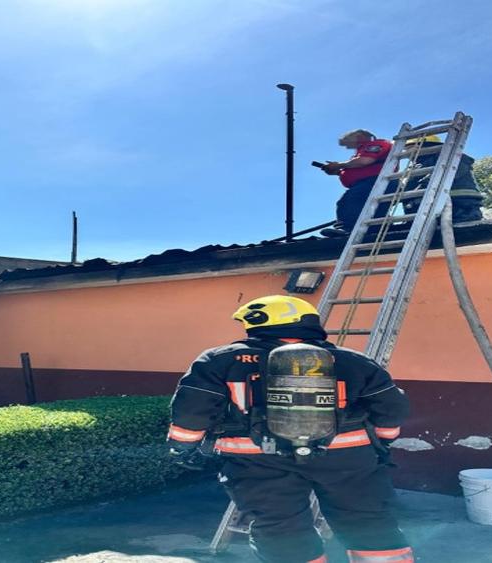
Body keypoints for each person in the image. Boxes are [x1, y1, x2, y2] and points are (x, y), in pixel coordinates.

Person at [167, 295, 413, 563]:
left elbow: (191, 410)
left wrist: (183, 447)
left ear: (258, 323)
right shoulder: (354, 360)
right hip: (348, 459)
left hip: (258, 461)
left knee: (281, 529)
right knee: (367, 520)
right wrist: (383, 442)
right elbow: (392, 409)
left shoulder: (219, 360)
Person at [317, 129, 393, 238]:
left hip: (375, 182)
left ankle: (348, 229)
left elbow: (364, 161)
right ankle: (375, 229)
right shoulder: (364, 150)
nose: (346, 144)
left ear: (359, 136)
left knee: (349, 202)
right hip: (373, 182)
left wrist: (338, 165)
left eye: (348, 138)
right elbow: (362, 167)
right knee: (372, 208)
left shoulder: (375, 145)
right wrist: (338, 172)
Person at [402, 135, 484, 223]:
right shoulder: (417, 166)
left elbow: (445, 176)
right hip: (426, 213)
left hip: (460, 208)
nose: (406, 153)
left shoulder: (451, 157)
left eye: (409, 148)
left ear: (425, 145)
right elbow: (406, 188)